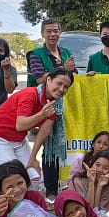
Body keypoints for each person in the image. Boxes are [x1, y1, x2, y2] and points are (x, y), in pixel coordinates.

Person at [0, 67, 73, 180]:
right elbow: (20, 125)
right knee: (13, 177)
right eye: (59, 83)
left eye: (66, 87)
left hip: (18, 139)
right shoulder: (30, 94)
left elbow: (44, 131)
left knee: (35, 177)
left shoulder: (55, 103)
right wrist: (41, 114)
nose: (61, 89)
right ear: (48, 80)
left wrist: (33, 158)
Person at [27, 19, 75, 200]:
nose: (53, 34)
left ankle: (67, 183)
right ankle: (51, 191)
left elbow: (73, 76)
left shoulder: (67, 52)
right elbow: (39, 79)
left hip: (66, 106)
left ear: (60, 33)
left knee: (64, 144)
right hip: (44, 106)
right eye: (49, 31)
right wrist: (63, 68)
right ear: (42, 34)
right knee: (49, 146)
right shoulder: (35, 54)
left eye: (55, 31)